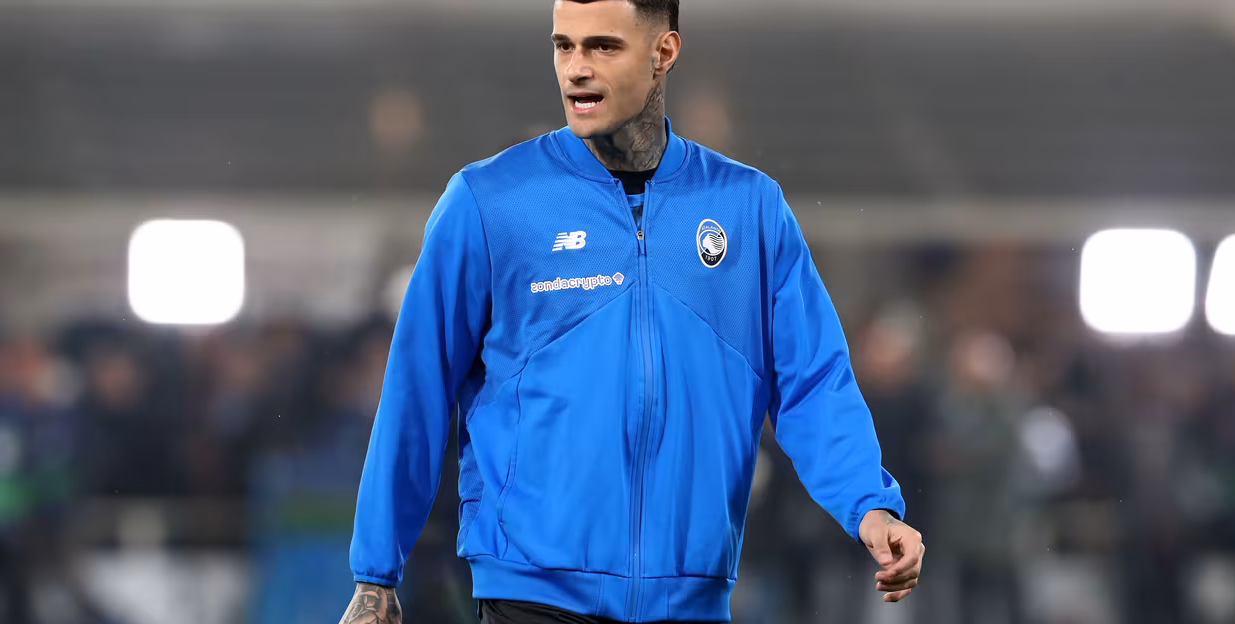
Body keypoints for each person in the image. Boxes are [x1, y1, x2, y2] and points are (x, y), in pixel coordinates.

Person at [341, 1, 925, 622]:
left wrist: (870, 505)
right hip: (532, 596)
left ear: (663, 53)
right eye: (563, 46)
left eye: (603, 46)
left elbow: (814, 384)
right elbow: (416, 388)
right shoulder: (488, 201)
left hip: (691, 600)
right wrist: (376, 575)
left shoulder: (749, 209)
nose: (576, 68)